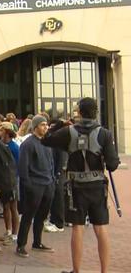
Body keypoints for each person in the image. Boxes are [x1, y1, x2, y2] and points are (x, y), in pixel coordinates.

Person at [42, 98, 120, 273]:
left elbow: (45, 139)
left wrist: (60, 124)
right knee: (100, 228)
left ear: (79, 112)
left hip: (76, 188)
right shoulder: (104, 134)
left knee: (77, 228)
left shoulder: (68, 131)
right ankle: (104, 271)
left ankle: (76, 270)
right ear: (96, 113)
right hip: (97, 187)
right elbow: (113, 165)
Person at [16, 115, 55, 257]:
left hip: (48, 184)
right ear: (35, 126)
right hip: (34, 185)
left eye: (47, 124)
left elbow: (51, 163)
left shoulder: (47, 143)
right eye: (43, 125)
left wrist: (52, 181)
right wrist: (29, 186)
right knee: (28, 216)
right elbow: (22, 168)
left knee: (42, 216)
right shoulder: (28, 144)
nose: (46, 127)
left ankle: (37, 242)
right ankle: (21, 245)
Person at [0, 122, 20, 247]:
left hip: (12, 181)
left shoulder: (14, 147)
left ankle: (15, 235)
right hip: (4, 181)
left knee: (13, 207)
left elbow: (18, 164)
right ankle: (8, 231)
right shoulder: (2, 145)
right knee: (5, 206)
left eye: (1, 130)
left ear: (6, 131)